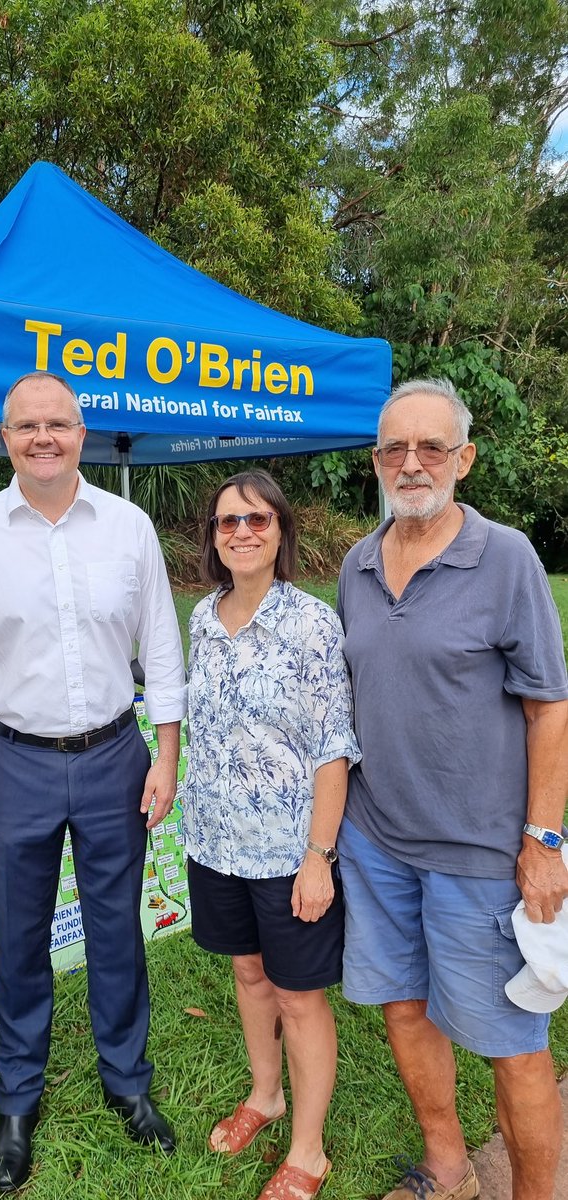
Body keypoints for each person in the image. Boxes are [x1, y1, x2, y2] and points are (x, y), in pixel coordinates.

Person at [0, 370, 187, 1193]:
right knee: (23, 936)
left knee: (118, 929)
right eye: (25, 426)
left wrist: (169, 750)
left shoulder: (129, 525)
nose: (43, 438)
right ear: (3, 437)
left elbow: (162, 643)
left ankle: (128, 1082)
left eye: (59, 424)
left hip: (117, 753)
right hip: (15, 760)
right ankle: (17, 1098)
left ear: (81, 432)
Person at [336, 378, 568, 1200]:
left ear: (463, 460)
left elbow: (549, 708)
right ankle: (447, 1165)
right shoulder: (357, 565)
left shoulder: (506, 558)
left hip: (480, 853)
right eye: (394, 447)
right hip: (376, 842)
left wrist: (544, 840)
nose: (411, 462)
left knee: (513, 1044)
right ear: (375, 462)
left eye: (431, 446)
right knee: (403, 1009)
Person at [183, 469, 359, 1200]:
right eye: (229, 522)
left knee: (297, 995)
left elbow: (332, 746)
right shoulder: (201, 616)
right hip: (215, 842)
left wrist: (319, 857)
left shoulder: (312, 623)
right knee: (249, 974)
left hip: (290, 854)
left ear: (280, 531)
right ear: (214, 537)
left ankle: (309, 1150)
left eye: (257, 520)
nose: (243, 533)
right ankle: (267, 1096)